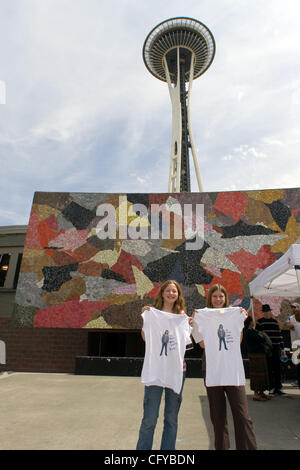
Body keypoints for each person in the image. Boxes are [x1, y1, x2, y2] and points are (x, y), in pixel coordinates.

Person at [192, 284, 257, 450]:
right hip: (213, 369)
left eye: (221, 296)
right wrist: (196, 322)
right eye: (215, 296)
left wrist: (240, 318)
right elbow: (203, 344)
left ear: (225, 298)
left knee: (242, 415)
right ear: (210, 298)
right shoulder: (203, 316)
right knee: (218, 417)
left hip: (232, 370)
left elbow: (238, 341)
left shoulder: (234, 315)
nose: (218, 299)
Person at [136, 280, 191, 450]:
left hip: (176, 372)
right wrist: (147, 318)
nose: (171, 294)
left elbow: (187, 344)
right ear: (162, 293)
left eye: (174, 291)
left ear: (178, 295)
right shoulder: (153, 313)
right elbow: (145, 338)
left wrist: (188, 324)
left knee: (171, 418)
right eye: (168, 291)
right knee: (149, 419)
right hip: (156, 371)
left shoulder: (182, 316)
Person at [255, 304, 288, 397]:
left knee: (277, 368)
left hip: (276, 347)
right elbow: (258, 335)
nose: (267, 313)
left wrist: (283, 348)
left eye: (268, 311)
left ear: (270, 311)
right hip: (267, 349)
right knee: (269, 368)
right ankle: (271, 388)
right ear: (263, 312)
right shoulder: (260, 322)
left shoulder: (274, 322)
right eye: (265, 311)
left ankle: (279, 388)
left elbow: (279, 335)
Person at [243, 316, 271, 401]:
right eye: (252, 321)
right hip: (255, 355)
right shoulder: (248, 332)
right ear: (250, 322)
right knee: (257, 375)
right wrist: (261, 336)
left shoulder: (253, 331)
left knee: (262, 374)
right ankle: (256, 394)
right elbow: (260, 339)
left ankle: (261, 392)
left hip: (260, 354)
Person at [286, 307, 300, 388]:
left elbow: (290, 326)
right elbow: (288, 325)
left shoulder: (295, 324)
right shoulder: (292, 320)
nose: (294, 309)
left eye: (295, 308)